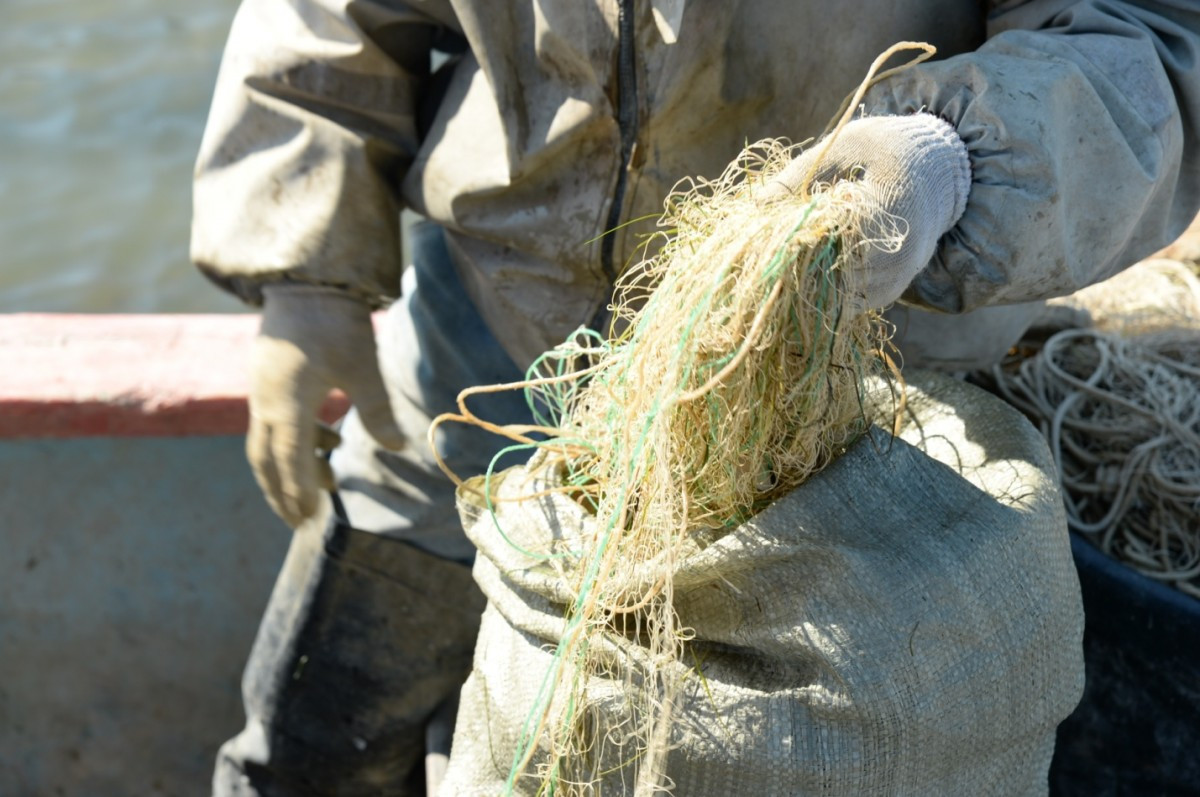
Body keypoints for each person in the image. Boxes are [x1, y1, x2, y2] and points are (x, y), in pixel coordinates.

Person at [191, 1, 1200, 794]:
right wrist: (304, 274)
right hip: (484, 353)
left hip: (846, 406)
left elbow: (1146, 39)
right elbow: (336, 15)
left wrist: (950, 160)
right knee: (317, 730)